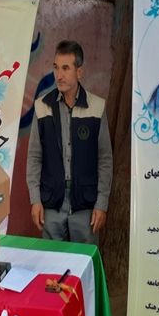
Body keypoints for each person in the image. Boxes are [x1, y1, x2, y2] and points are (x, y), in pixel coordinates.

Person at [26, 40, 113, 244]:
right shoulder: (42, 107)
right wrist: (35, 200)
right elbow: (34, 157)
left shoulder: (96, 107)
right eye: (56, 67)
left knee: (83, 260)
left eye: (66, 68)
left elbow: (105, 159)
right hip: (51, 204)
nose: (59, 75)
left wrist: (101, 204)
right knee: (52, 261)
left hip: (85, 204)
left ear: (79, 72)